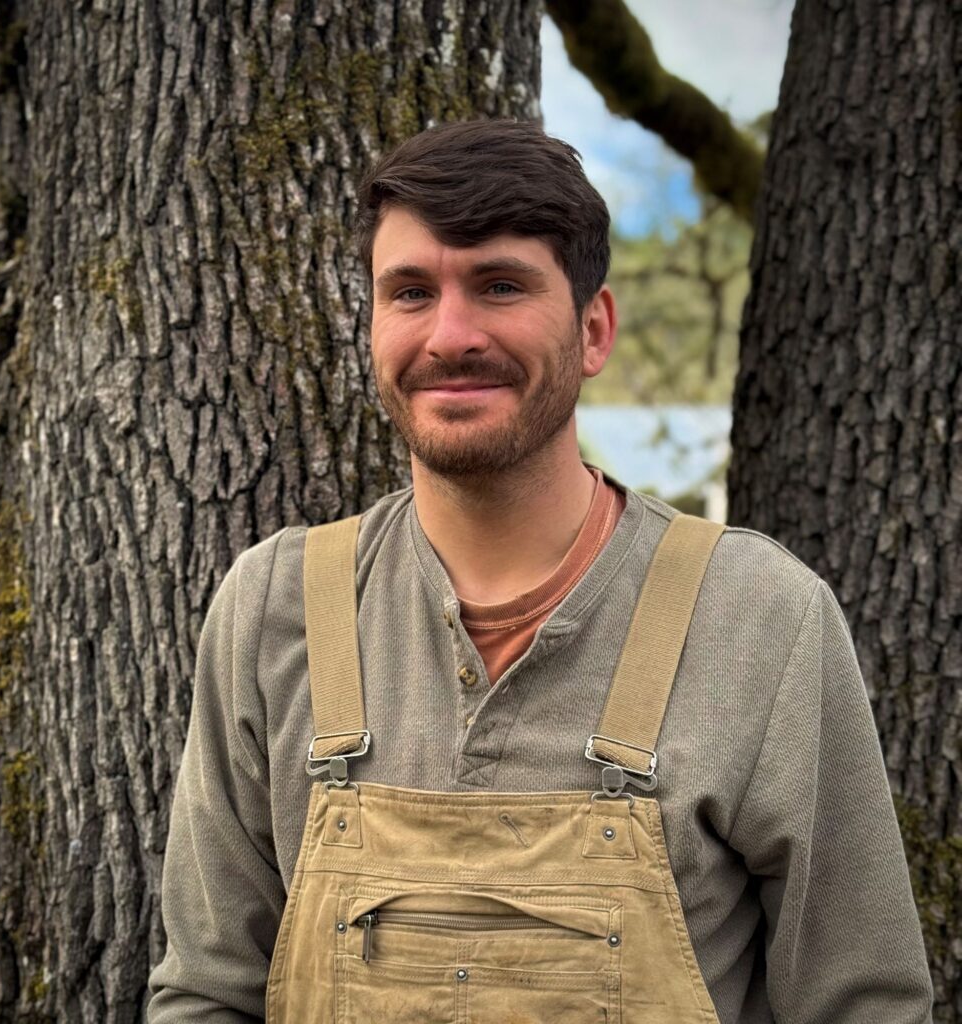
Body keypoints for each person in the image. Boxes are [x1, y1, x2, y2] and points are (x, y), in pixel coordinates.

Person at [147, 119, 933, 1023]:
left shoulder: (761, 617)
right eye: (410, 292)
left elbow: (862, 1006)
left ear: (593, 331)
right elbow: (206, 995)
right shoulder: (274, 609)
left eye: (500, 285)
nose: (450, 336)